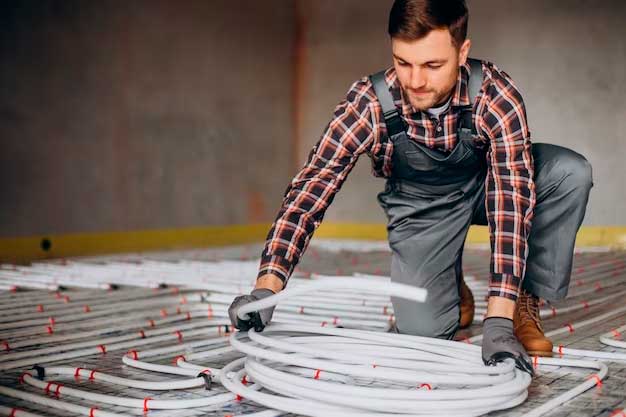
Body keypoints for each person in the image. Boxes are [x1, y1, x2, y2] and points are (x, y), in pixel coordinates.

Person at [228, 0, 592, 375]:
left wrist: (498, 316)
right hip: (422, 207)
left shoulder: (495, 95)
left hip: (489, 188)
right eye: (404, 63)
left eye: (432, 65)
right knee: (422, 332)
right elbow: (311, 190)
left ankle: (521, 303)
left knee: (568, 172)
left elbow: (511, 200)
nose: (415, 81)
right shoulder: (369, 102)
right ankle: (449, 283)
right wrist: (267, 289)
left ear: (462, 52)